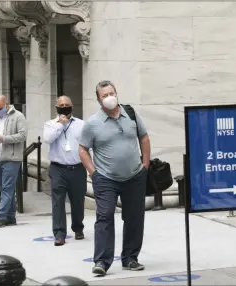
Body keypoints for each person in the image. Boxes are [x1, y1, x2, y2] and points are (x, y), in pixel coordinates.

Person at [79, 80, 151, 276]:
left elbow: (143, 137)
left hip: (135, 175)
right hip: (105, 178)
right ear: (99, 100)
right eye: (104, 95)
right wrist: (93, 172)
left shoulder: (131, 114)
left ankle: (130, 258)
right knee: (104, 216)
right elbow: (83, 149)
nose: (109, 97)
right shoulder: (93, 123)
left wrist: (145, 164)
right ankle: (102, 261)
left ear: (116, 93)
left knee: (135, 217)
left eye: (111, 93)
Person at [43, 95, 87, 246]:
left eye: (66, 104)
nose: (64, 107)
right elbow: (48, 138)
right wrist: (60, 125)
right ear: (56, 107)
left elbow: (88, 145)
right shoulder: (50, 124)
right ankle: (59, 233)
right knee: (58, 201)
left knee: (78, 200)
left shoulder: (81, 124)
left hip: (77, 167)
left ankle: (78, 227)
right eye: (61, 105)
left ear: (72, 106)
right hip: (58, 168)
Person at [0, 95, 27, 229]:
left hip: (11, 158)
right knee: (2, 188)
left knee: (7, 188)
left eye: (0, 108)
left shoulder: (18, 116)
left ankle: (0, 216)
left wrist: (3, 138)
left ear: (7, 104)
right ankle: (10, 217)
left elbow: (22, 135)